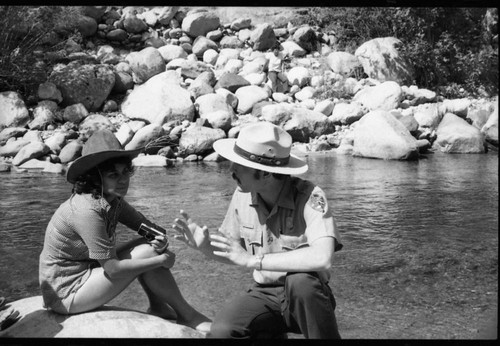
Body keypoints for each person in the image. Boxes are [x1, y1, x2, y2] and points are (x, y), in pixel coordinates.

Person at [173, 122, 343, 339]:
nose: (230, 170)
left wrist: (254, 261)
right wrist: (205, 248)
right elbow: (234, 253)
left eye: (238, 165)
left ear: (265, 174)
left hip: (309, 297)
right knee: (222, 331)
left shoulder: (310, 197)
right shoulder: (242, 194)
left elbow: (323, 258)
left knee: (300, 283)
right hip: (265, 293)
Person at [39, 129, 211, 333]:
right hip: (66, 293)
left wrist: (161, 242)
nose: (123, 180)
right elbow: (112, 269)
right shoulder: (87, 210)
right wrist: (160, 260)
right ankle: (188, 316)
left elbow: (151, 230)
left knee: (149, 246)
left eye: (125, 173)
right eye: (113, 175)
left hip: (87, 273)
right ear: (95, 178)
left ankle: (159, 307)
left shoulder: (113, 201)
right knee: (149, 253)